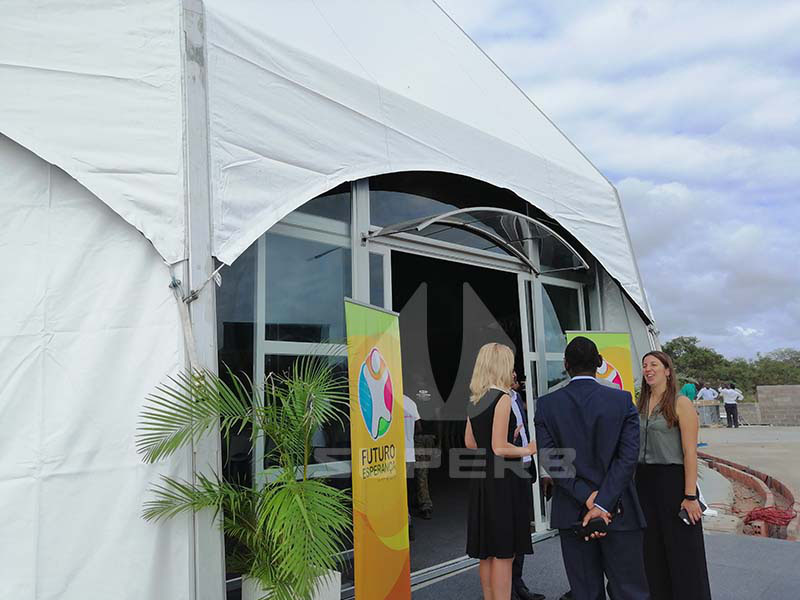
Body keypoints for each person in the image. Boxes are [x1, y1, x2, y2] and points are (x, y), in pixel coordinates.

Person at [534, 337, 649, 600]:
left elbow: (551, 459)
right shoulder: (621, 401)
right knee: (630, 591)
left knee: (584, 592)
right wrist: (603, 502)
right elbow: (628, 458)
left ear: (565, 365)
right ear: (599, 363)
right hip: (620, 510)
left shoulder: (547, 405)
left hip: (572, 511)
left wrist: (587, 497)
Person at [637, 351, 711, 600]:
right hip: (644, 483)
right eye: (645, 365)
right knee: (653, 552)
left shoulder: (681, 403)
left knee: (682, 552)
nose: (648, 369)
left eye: (654, 364)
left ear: (667, 370)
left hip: (673, 482)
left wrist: (690, 495)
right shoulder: (641, 403)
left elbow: (690, 452)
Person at [465, 343, 537, 600]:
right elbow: (499, 447)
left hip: (482, 480)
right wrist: (528, 448)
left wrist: (507, 437)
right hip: (503, 481)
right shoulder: (503, 398)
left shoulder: (475, 399)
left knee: (487, 550)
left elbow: (471, 443)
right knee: (505, 552)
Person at [509, 372, 545, 600]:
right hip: (506, 470)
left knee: (521, 529)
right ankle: (505, 588)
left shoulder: (515, 397)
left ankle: (517, 582)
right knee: (508, 530)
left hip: (523, 468)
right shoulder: (494, 399)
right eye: (512, 370)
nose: (516, 375)